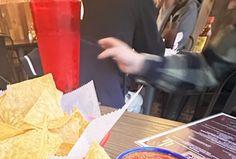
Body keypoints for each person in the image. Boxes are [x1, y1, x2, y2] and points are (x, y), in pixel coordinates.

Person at [98, 0, 236, 94]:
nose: (230, 5)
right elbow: (207, 69)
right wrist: (140, 63)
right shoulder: (158, 7)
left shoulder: (188, 9)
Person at [80, 0, 165, 108]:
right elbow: (154, 52)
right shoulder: (141, 3)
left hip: (59, 85)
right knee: (138, 102)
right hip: (106, 94)